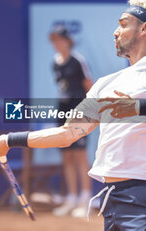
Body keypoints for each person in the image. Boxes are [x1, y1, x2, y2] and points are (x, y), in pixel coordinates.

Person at [0, 0, 146, 230]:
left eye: (123, 25)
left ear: (145, 28)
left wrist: (138, 106)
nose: (115, 32)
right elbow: (68, 133)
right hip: (113, 199)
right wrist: (10, 140)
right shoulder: (105, 83)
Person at [48, 25, 93, 217]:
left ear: (68, 40)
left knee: (80, 154)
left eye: (60, 39)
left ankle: (85, 199)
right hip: (62, 111)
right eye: (54, 40)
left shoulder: (78, 61)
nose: (57, 43)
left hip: (80, 111)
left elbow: (89, 86)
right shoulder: (55, 63)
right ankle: (72, 198)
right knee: (66, 154)